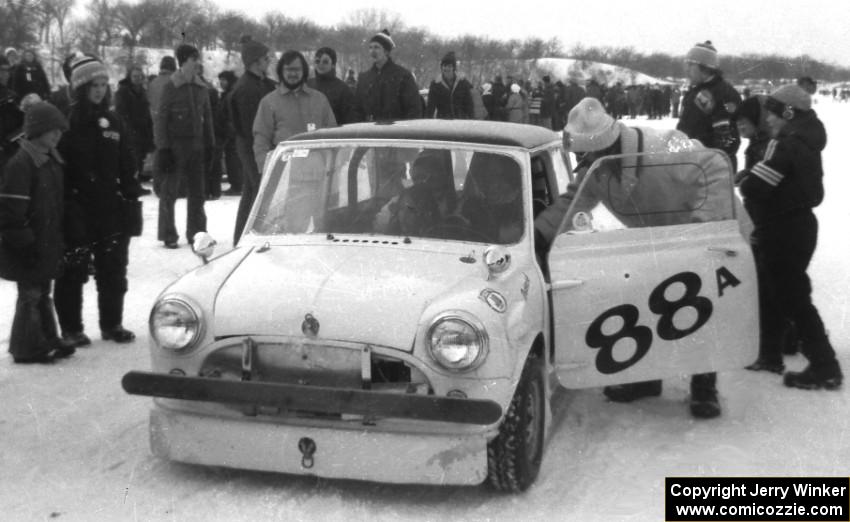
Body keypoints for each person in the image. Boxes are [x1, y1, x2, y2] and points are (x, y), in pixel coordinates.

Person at [535, 97, 746, 419]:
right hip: (659, 238)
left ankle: (704, 387)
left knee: (700, 303)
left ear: (604, 146)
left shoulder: (663, 146)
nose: (581, 160)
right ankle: (648, 379)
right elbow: (572, 201)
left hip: (708, 231)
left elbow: (715, 164)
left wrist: (705, 228)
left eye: (585, 154)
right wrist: (540, 234)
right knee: (653, 302)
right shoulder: (598, 168)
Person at [736, 85, 842, 390]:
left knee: (792, 298)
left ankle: (824, 365)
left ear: (788, 113)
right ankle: (774, 354)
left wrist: (749, 180)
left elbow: (757, 188)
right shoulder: (807, 141)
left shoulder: (784, 144)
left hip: (781, 228)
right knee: (780, 293)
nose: (767, 119)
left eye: (772, 112)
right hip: (798, 225)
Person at [54, 55, 145, 346]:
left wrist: (130, 195)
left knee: (113, 269)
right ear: (81, 88)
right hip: (77, 206)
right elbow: (60, 166)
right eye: (94, 84)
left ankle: (112, 324)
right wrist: (67, 204)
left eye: (104, 84)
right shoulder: (67, 122)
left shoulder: (115, 120)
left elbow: (127, 160)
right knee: (73, 270)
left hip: (110, 206)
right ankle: (71, 328)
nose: (100, 90)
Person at [0, 101, 75, 363]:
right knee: (30, 296)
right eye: (52, 130)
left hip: (45, 242)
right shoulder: (21, 164)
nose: (58, 135)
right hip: (27, 244)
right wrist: (25, 244)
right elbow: (10, 212)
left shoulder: (51, 161)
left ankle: (47, 338)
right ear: (37, 131)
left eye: (60, 130)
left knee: (43, 292)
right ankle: (27, 347)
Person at [154, 44, 214, 249]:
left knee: (198, 192)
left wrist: (211, 144)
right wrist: (163, 149)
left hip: (197, 145)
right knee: (169, 192)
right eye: (193, 59)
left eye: (198, 58)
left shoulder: (201, 87)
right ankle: (168, 234)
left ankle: (197, 233)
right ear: (183, 61)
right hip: (175, 146)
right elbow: (161, 119)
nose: (197, 62)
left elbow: (208, 118)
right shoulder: (170, 86)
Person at [252, 50, 336, 174]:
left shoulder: (319, 99)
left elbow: (332, 134)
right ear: (281, 72)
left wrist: (331, 165)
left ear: (304, 72)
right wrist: (267, 169)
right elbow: (261, 139)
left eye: (297, 69)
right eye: (288, 70)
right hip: (283, 173)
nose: (293, 74)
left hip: (317, 172)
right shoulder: (269, 102)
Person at [230, 36, 275, 245]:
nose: (269, 61)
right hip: (250, 145)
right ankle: (248, 237)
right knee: (258, 192)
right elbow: (250, 126)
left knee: (251, 192)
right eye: (266, 58)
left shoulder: (260, 83)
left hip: (252, 144)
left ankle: (240, 237)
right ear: (256, 61)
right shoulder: (247, 88)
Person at [677, 41, 741, 170]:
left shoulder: (724, 93)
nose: (686, 69)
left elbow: (726, 141)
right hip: (690, 165)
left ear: (704, 68)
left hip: (710, 169)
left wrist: (711, 166)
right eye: (686, 64)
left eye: (690, 65)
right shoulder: (694, 92)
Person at [350, 29, 422, 122]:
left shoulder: (403, 76)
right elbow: (357, 109)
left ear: (386, 51)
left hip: (394, 132)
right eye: (370, 47)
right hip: (369, 132)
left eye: (377, 47)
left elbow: (414, 109)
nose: (372, 51)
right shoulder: (364, 78)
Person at [114, 64, 154, 188]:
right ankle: (131, 182)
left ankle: (136, 181)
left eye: (139, 76)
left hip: (142, 130)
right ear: (130, 77)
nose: (137, 79)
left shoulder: (142, 91)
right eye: (135, 76)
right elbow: (121, 112)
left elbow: (146, 111)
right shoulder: (123, 91)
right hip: (130, 129)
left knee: (140, 156)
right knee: (132, 157)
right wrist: (128, 128)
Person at [307, 46, 355, 125]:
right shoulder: (307, 85)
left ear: (333, 64)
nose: (320, 64)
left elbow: (350, 119)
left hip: (333, 134)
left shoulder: (342, 89)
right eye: (317, 61)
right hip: (308, 133)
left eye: (325, 62)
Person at [215, 70, 241, 196]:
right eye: (220, 80)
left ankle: (236, 184)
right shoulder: (228, 94)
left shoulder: (231, 95)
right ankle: (236, 184)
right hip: (229, 132)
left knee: (233, 160)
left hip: (231, 134)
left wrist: (229, 129)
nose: (221, 82)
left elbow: (230, 114)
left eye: (224, 80)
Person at [425, 52, 473, 119]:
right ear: (441, 67)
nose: (446, 68)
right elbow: (430, 107)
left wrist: (472, 120)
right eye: (444, 66)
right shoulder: (435, 84)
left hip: (461, 122)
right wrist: (428, 122)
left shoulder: (462, 82)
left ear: (454, 68)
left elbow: (469, 104)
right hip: (443, 123)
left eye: (449, 66)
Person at [0, 55, 23, 166]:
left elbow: (22, 124)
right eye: (2, 70)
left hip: (10, 152)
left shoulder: (11, 96)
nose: (6, 74)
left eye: (7, 70)